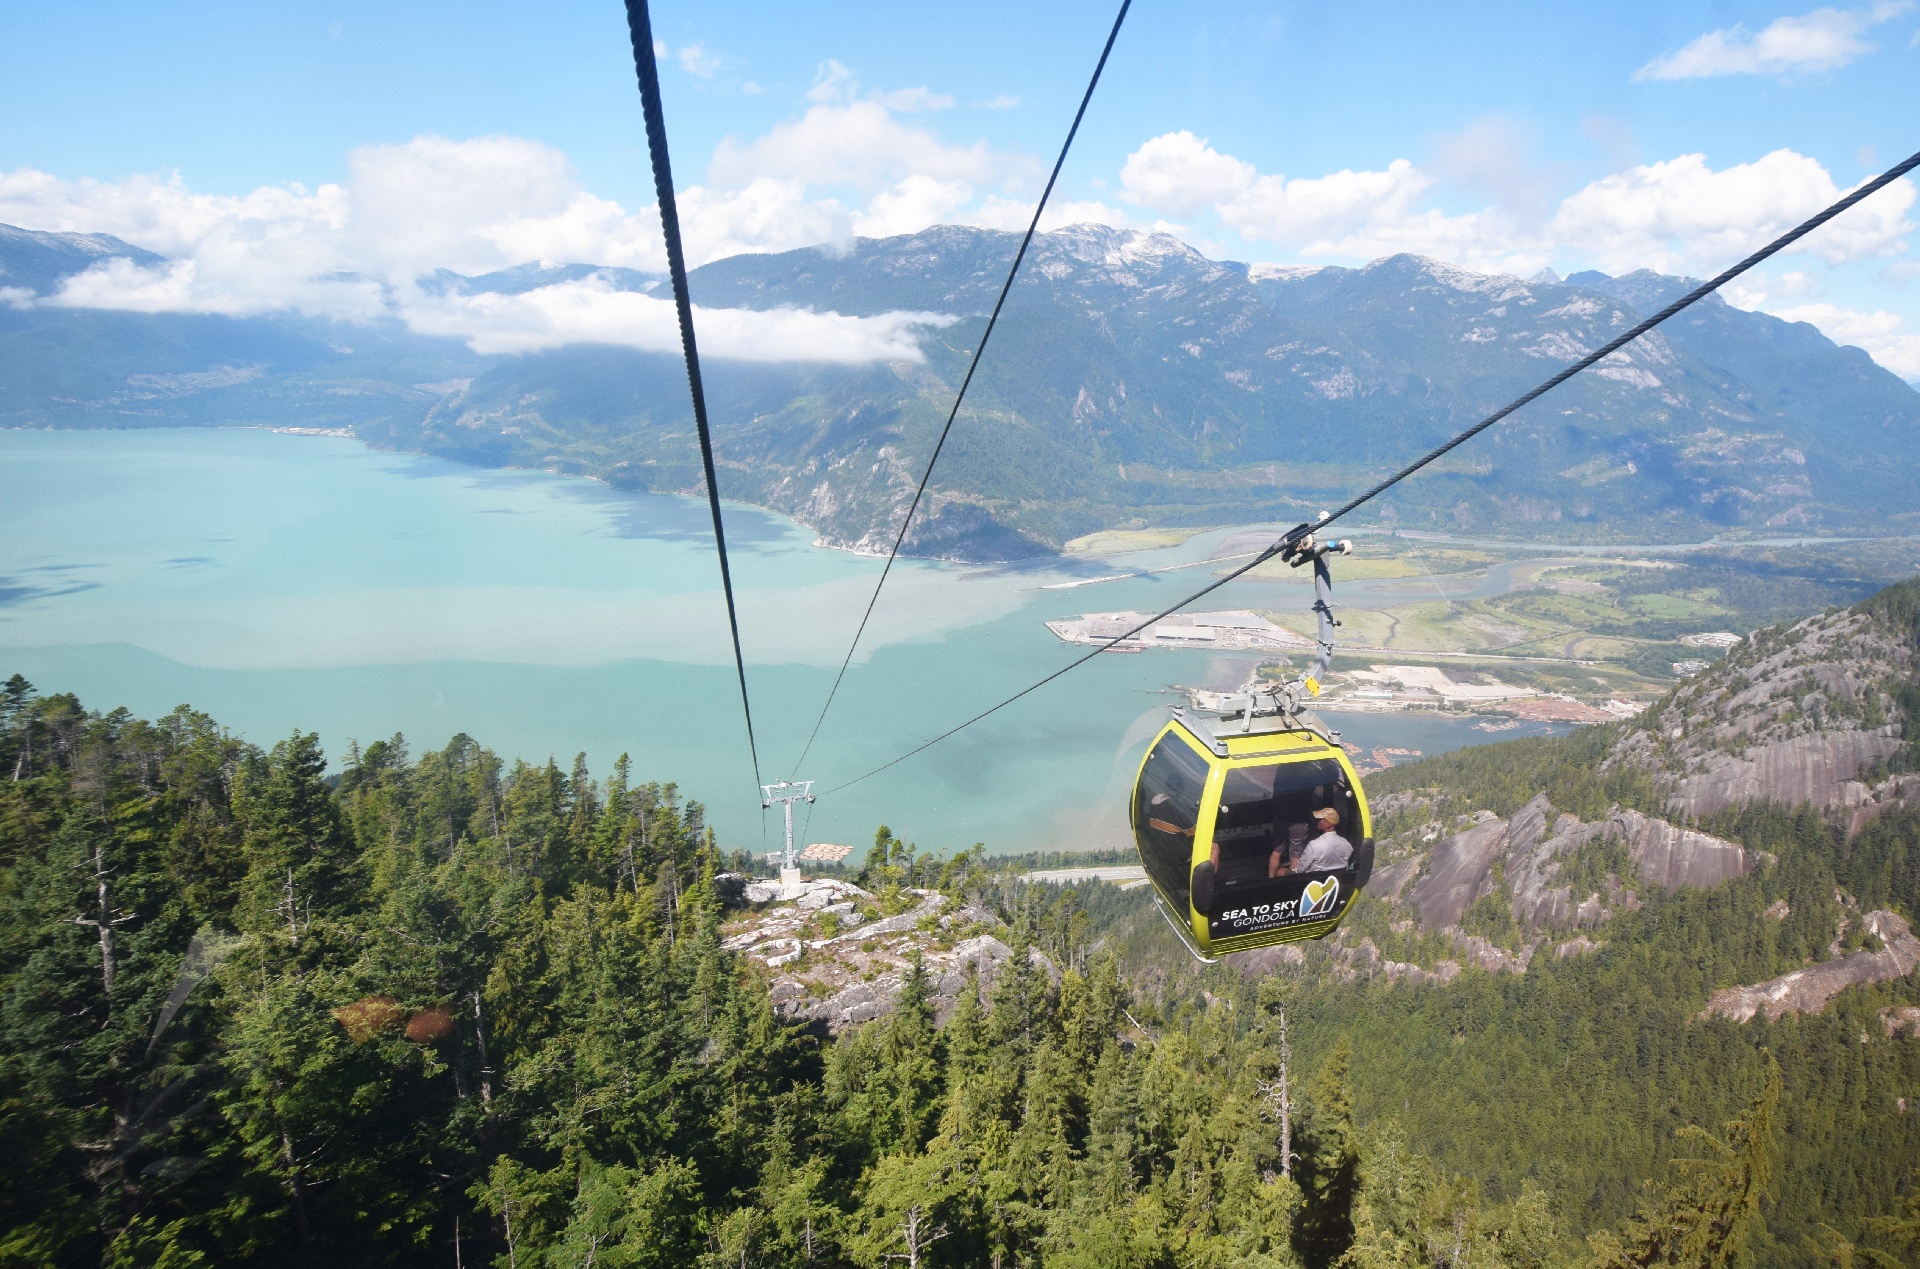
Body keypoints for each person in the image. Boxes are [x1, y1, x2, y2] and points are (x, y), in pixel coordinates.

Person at [1295, 807, 1352, 872]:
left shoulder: (1314, 845)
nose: (1317, 821)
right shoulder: (1346, 843)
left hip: (1314, 877)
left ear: (1328, 823)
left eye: (1320, 819)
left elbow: (1300, 869)